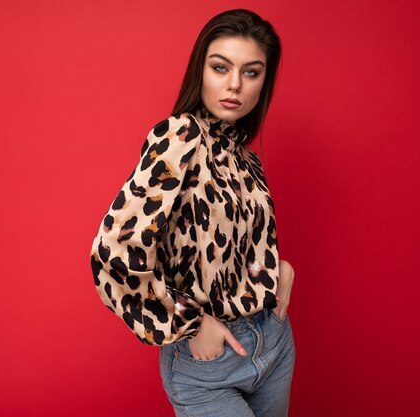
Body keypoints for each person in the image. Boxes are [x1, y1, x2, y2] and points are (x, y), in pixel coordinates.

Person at [89, 9, 295, 417]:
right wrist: (191, 323)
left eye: (251, 72)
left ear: (263, 83)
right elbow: (114, 250)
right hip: (207, 363)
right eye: (221, 67)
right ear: (200, 69)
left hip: (272, 340)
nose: (234, 84)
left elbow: (234, 244)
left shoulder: (246, 159)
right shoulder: (179, 137)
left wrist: (280, 268)